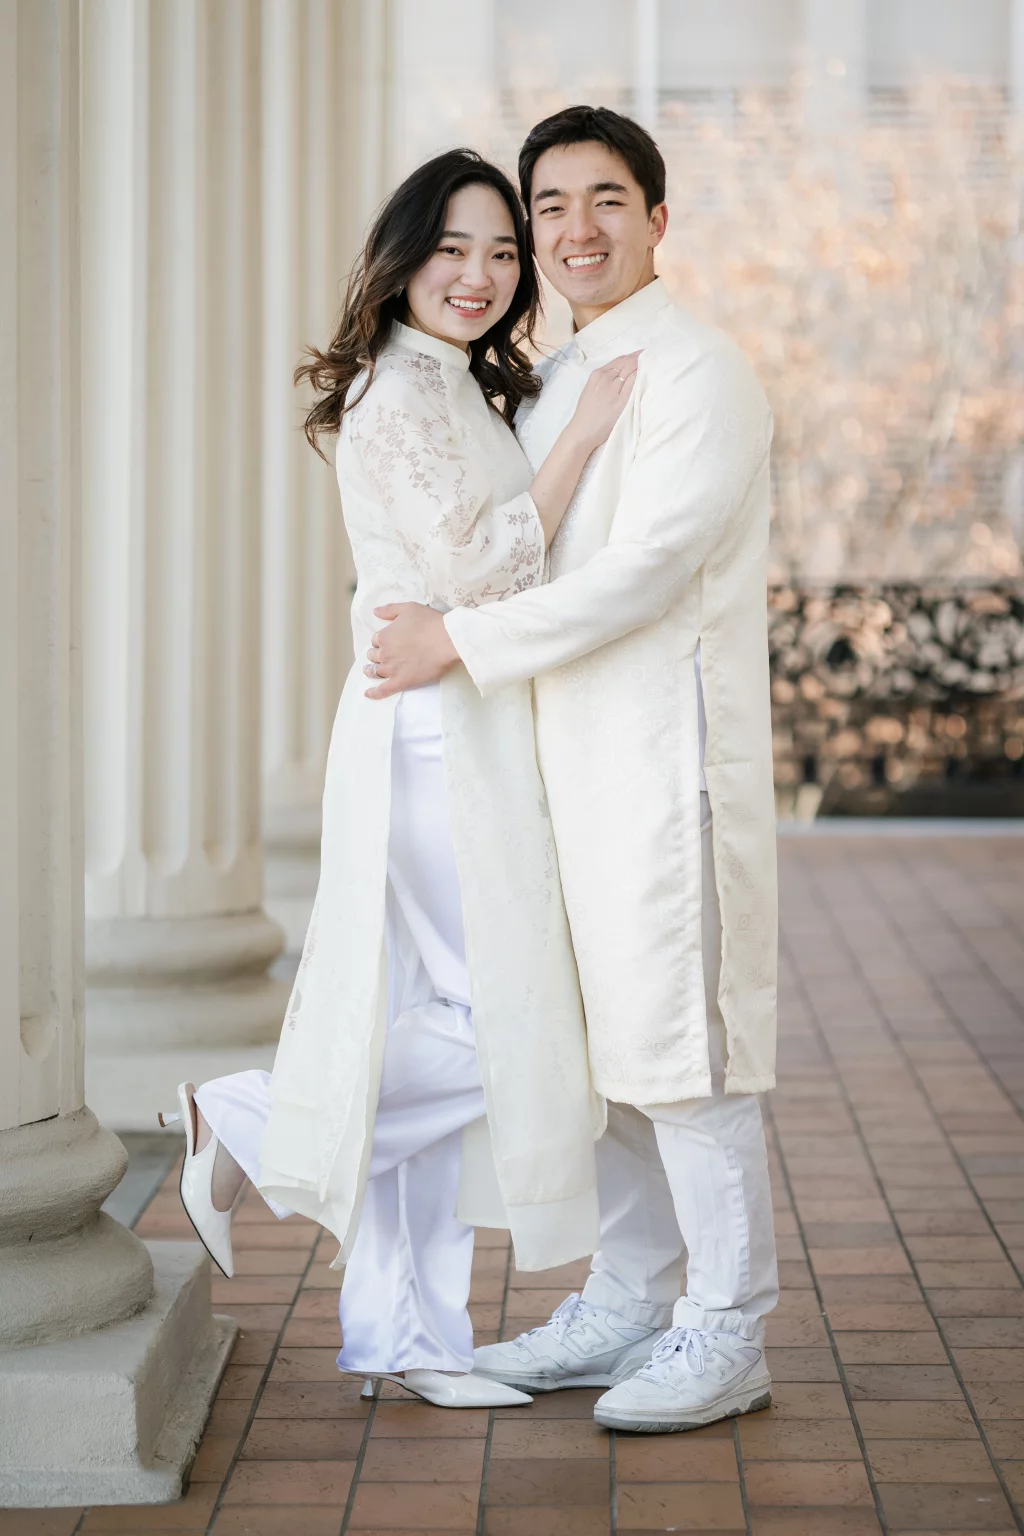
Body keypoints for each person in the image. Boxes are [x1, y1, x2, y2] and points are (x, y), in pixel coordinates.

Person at [162, 148, 643, 1411]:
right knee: (499, 1022)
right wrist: (585, 436)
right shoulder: (395, 394)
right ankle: (247, 1122)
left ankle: (406, 1334)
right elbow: (482, 568)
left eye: (501, 252)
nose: (480, 275)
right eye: (453, 250)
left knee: (437, 1016)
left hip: (460, 727)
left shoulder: (456, 389)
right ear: (403, 258)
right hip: (434, 739)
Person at [364, 106, 780, 1434]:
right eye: (550, 205)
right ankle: (628, 1299)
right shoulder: (551, 377)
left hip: (664, 780)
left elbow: (643, 574)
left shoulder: (699, 371)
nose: (573, 230)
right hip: (557, 780)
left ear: (659, 218)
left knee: (686, 1065)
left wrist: (457, 640)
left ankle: (729, 1327)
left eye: (606, 200)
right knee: (601, 1062)